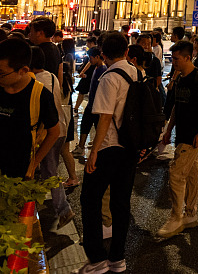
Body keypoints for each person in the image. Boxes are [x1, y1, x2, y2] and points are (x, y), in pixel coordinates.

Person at [75, 32, 139, 274]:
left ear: (102, 53)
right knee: (121, 203)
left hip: (109, 146)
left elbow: (104, 117)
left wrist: (93, 151)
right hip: (130, 147)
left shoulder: (108, 77)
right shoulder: (135, 72)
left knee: (90, 199)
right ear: (125, 51)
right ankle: (118, 258)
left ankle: (97, 259)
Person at [0, 38, 60, 179]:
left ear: (23, 70)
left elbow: (54, 132)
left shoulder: (40, 95)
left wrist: (33, 165)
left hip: (16, 173)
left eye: (0, 72)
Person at [156, 41, 198, 240]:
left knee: (176, 174)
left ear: (188, 57)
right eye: (173, 58)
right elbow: (176, 106)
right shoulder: (179, 77)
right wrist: (168, 129)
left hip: (192, 135)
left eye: (177, 58)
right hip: (181, 132)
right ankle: (190, 214)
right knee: (191, 174)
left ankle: (176, 217)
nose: (174, 62)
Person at [29, 47, 73, 230]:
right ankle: (60, 209)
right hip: (61, 128)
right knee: (49, 170)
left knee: (49, 171)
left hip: (48, 133)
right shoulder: (52, 77)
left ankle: (64, 210)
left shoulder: (34, 82)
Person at [75, 48, 107, 160]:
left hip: (96, 105)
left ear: (97, 57)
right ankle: (80, 147)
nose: (90, 60)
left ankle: (91, 148)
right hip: (92, 103)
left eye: (91, 58)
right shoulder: (97, 68)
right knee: (85, 125)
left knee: (94, 126)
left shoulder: (102, 69)